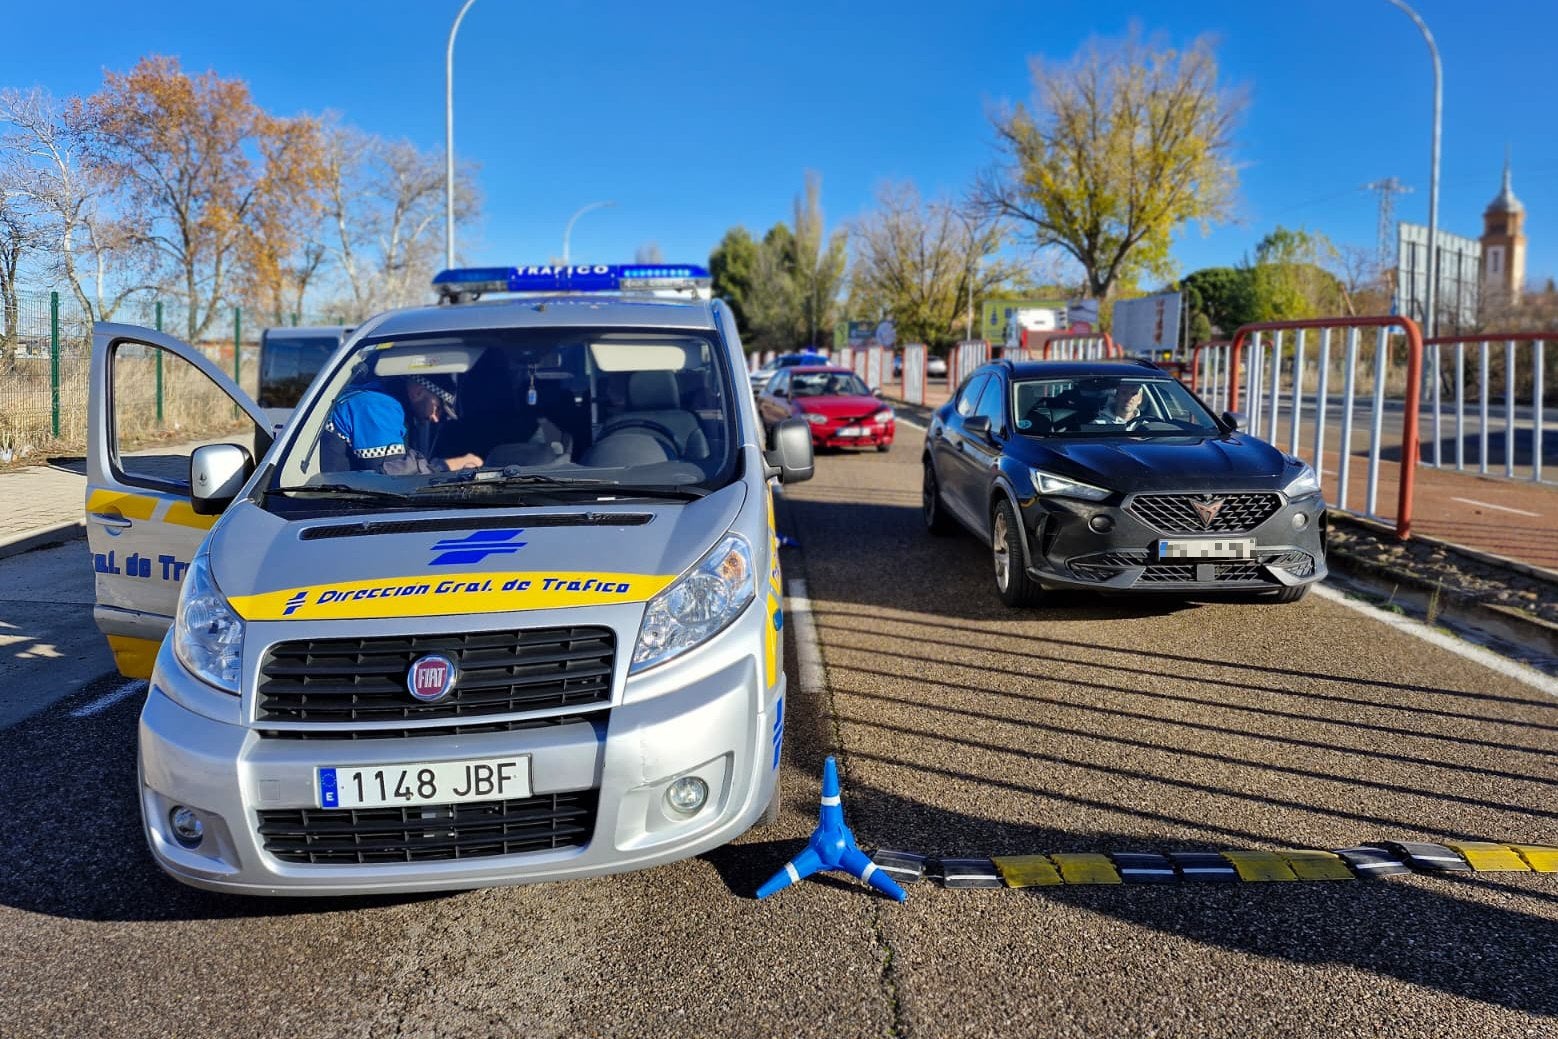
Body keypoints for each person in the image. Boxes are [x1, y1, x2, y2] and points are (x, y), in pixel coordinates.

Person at [322, 373, 482, 474]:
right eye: (438, 408)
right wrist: (452, 465)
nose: (435, 419)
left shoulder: (379, 398)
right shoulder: (376, 406)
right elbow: (394, 474)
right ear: (418, 392)